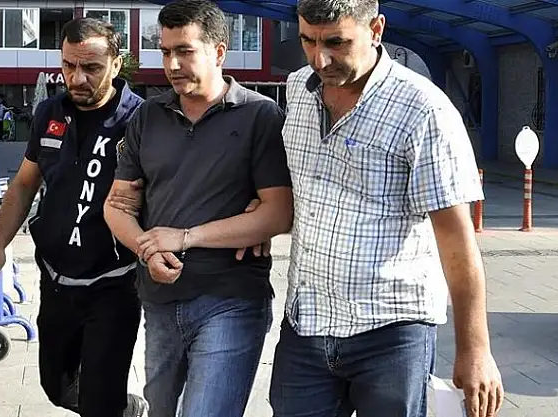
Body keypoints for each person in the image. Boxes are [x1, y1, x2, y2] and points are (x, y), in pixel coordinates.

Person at [269, 1, 504, 417]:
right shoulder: (298, 89)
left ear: (376, 29)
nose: (320, 59)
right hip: (307, 325)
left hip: (391, 333)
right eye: (308, 41)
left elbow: (456, 239)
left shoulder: (424, 110)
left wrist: (476, 350)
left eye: (336, 43)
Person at [102, 1, 293, 416]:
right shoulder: (147, 116)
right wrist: (147, 249)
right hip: (159, 301)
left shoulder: (260, 116)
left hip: (231, 299)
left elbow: (278, 214)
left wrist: (185, 238)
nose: (172, 65)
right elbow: (116, 206)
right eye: (165, 51)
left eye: (184, 51)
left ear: (219, 52)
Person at [0, 17, 148, 417]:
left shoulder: (141, 120)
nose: (77, 78)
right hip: (55, 279)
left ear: (116, 64)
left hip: (114, 284)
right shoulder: (50, 112)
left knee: (98, 402)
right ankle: (124, 408)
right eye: (69, 65)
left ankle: (111, 405)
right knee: (56, 388)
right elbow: (24, 184)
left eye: (91, 67)